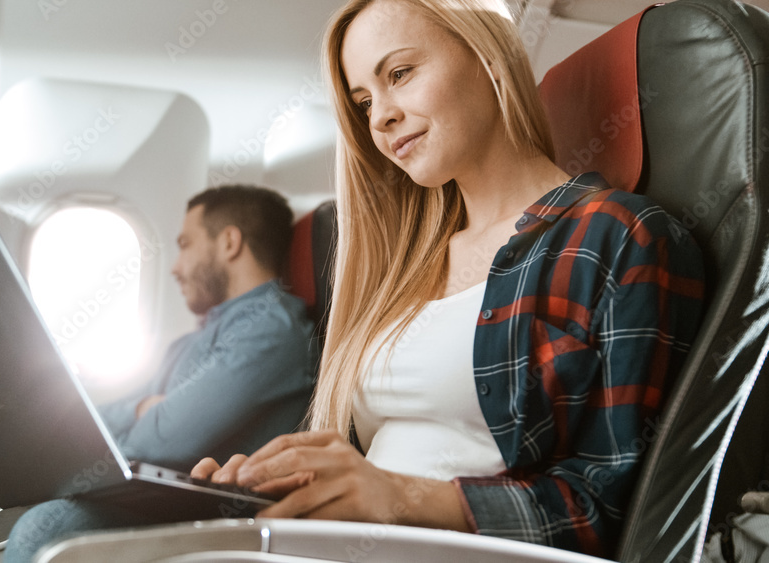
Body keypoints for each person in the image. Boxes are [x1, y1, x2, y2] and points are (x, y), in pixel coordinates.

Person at [191, 0, 706, 559]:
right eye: (365, 101)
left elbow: (613, 511)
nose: (379, 117)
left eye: (400, 74)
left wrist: (398, 496)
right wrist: (289, 485)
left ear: (488, 55)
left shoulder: (617, 237)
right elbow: (391, 465)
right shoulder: (407, 267)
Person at [0, 185, 318, 562]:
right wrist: (144, 407)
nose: (174, 266)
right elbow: (99, 426)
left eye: (184, 244)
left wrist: (132, 427)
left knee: (43, 528)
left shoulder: (271, 330)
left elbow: (160, 441)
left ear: (229, 242)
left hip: (198, 511)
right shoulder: (191, 342)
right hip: (138, 495)